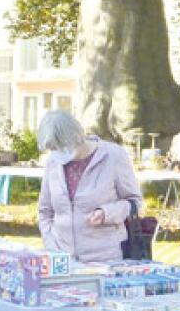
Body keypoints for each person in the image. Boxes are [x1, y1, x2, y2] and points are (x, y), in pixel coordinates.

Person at [37, 110, 142, 262]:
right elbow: (45, 211)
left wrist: (106, 213)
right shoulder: (53, 162)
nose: (57, 153)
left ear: (75, 136)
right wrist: (51, 246)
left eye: (60, 147)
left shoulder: (113, 156)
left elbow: (134, 202)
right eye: (53, 149)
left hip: (105, 259)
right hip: (63, 260)